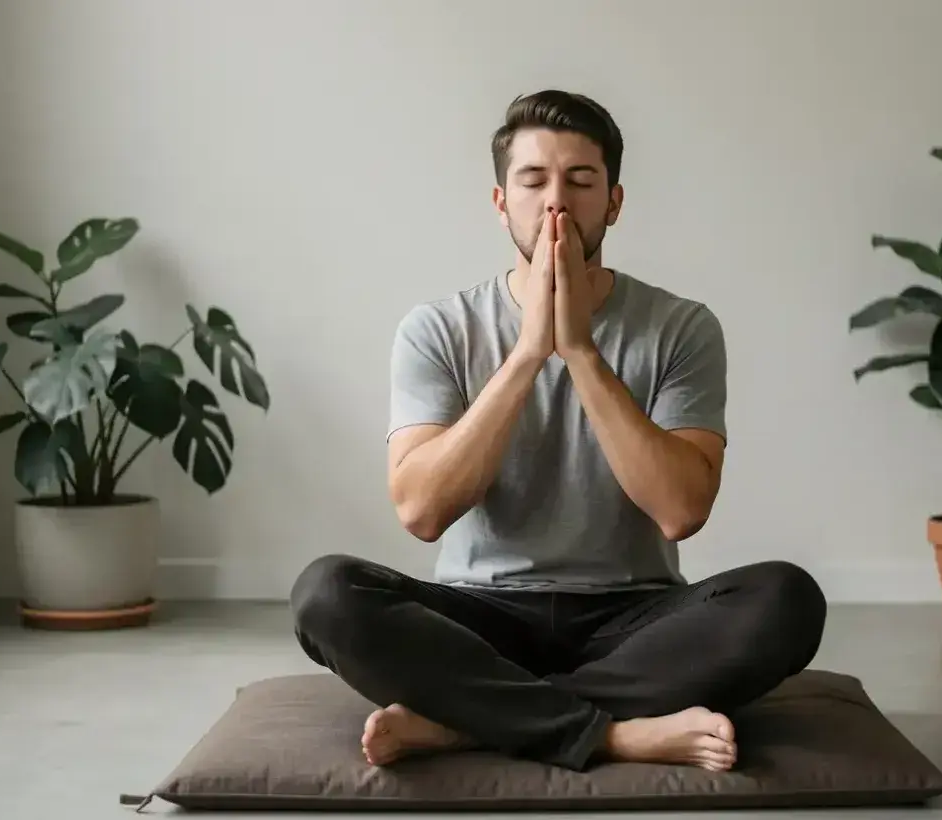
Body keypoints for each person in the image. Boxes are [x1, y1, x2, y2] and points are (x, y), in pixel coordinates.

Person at [290, 89, 827, 774]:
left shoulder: (682, 327)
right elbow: (421, 512)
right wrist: (527, 354)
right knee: (326, 594)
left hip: (633, 621)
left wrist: (579, 351)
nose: (556, 202)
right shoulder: (438, 329)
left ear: (614, 202)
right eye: (533, 180)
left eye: (580, 180)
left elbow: (682, 510)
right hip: (477, 618)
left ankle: (473, 724)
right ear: (499, 201)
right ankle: (613, 734)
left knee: (787, 600)